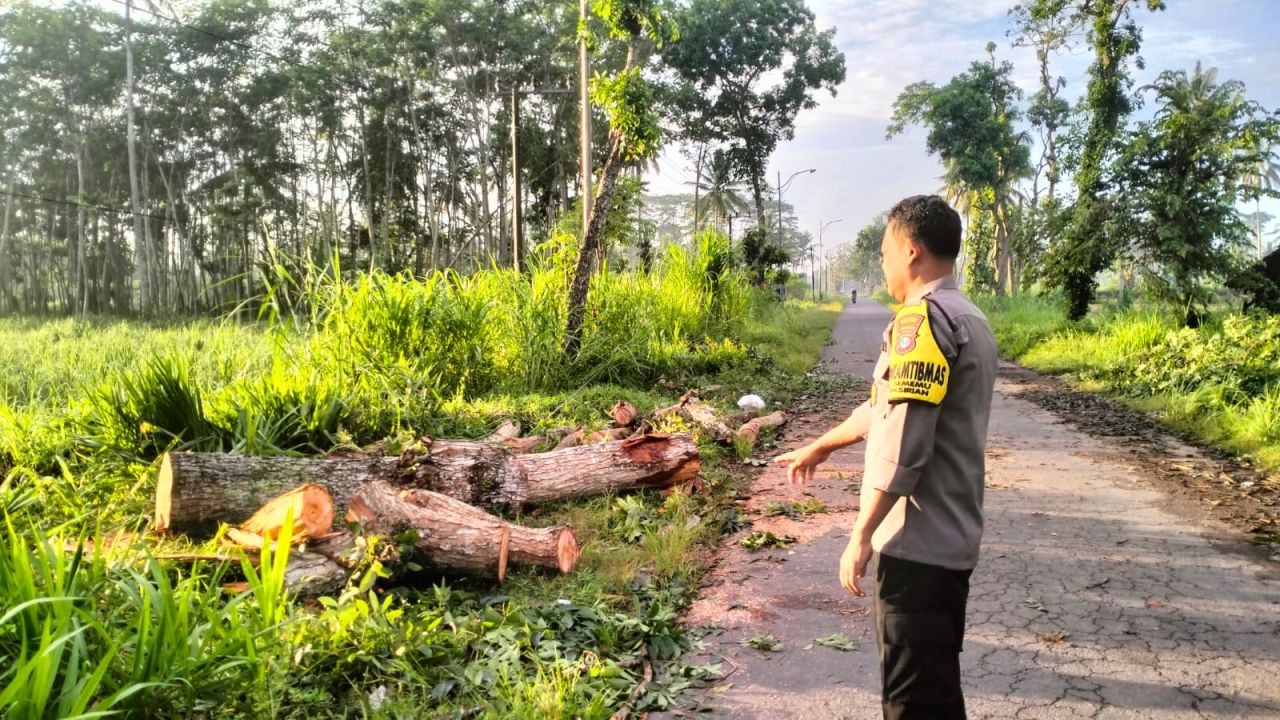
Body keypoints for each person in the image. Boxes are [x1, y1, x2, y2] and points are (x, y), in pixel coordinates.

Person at [773, 195, 997, 720]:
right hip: (950, 540)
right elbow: (883, 410)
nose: (884, 264)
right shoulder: (969, 317)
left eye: (886, 252)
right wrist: (820, 445)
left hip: (917, 547)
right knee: (935, 693)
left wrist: (860, 536)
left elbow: (901, 446)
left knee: (913, 702)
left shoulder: (921, 323)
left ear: (912, 250)